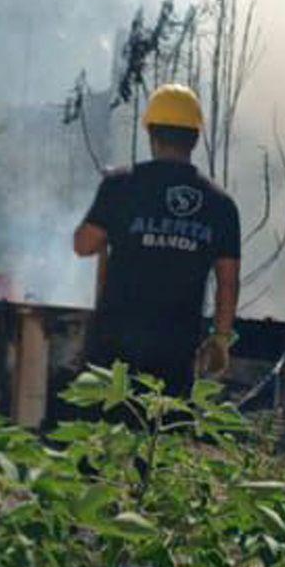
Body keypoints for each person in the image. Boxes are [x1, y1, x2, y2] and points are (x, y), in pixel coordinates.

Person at [73, 84, 241, 398]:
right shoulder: (221, 204)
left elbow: (83, 245)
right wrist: (220, 339)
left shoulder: (120, 186)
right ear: (195, 137)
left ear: (151, 133)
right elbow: (228, 281)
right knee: (160, 436)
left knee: (105, 434)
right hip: (176, 350)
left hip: (114, 345)